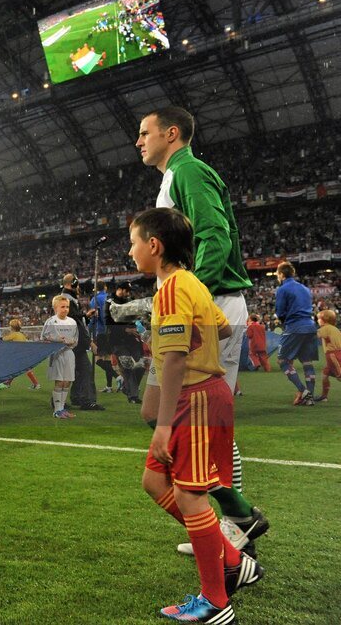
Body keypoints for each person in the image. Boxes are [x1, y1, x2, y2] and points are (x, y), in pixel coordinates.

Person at [136, 106, 267, 556]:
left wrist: (193, 297)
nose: (139, 141)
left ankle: (235, 521)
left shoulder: (189, 171)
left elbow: (216, 235)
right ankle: (234, 516)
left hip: (210, 307)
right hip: (197, 305)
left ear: (171, 134)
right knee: (156, 410)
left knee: (200, 422)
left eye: (145, 132)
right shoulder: (174, 177)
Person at [130, 208, 261, 625]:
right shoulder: (193, 284)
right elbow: (221, 328)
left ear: (154, 245)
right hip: (204, 394)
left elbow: (172, 362)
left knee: (190, 494)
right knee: (155, 481)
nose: (131, 250)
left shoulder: (170, 291)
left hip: (195, 398)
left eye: (134, 242)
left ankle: (215, 603)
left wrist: (163, 424)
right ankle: (232, 559)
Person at [274, 262, 319, 405]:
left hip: (294, 327)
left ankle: (303, 391)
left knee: (282, 360)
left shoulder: (282, 289)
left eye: (277, 273)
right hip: (310, 326)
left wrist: (281, 322)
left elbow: (280, 312)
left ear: (281, 274)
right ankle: (310, 396)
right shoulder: (305, 288)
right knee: (307, 362)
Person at [60, 275, 103, 410]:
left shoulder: (66, 298)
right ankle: (86, 400)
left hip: (71, 342)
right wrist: (89, 342)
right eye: (77, 285)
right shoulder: (68, 299)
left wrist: (86, 316)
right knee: (85, 370)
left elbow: (75, 319)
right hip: (74, 342)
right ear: (72, 284)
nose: (78, 288)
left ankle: (75, 397)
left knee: (76, 372)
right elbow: (75, 323)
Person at [106, 282, 144, 404]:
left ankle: (126, 387)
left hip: (132, 341)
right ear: (120, 290)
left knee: (141, 365)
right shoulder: (109, 303)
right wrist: (126, 329)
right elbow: (109, 324)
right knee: (127, 367)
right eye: (126, 291)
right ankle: (133, 396)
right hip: (118, 341)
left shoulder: (129, 301)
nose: (128, 293)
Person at [41, 296, 77, 419]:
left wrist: (72, 342)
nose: (65, 309)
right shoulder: (51, 322)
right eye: (62, 307)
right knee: (60, 381)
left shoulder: (72, 322)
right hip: (56, 354)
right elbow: (44, 338)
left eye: (67, 307)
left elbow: (76, 339)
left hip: (68, 353)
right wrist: (57, 339)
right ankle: (57, 410)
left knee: (67, 382)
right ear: (55, 308)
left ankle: (62, 409)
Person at [0, 319, 41, 390]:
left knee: (14, 370)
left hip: (19, 356)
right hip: (24, 355)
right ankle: (35, 384)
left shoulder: (14, 334)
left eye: (10, 326)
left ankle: (7, 384)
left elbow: (4, 339)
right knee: (24, 370)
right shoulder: (21, 335)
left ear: (12, 327)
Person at [90, 282, 116, 393]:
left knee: (98, 360)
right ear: (105, 287)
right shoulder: (111, 298)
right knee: (107, 359)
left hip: (101, 331)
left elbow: (94, 317)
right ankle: (109, 387)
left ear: (96, 288)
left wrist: (89, 328)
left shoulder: (94, 300)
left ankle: (119, 377)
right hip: (111, 331)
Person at [315, 309, 341, 403]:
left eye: (319, 318)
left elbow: (315, 335)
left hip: (332, 355)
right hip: (337, 353)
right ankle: (324, 396)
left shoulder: (325, 328)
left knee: (339, 376)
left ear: (324, 319)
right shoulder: (335, 328)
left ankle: (324, 396)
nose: (317, 320)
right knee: (325, 375)